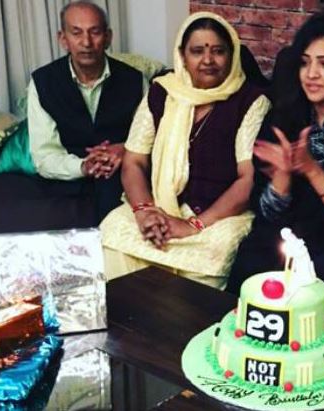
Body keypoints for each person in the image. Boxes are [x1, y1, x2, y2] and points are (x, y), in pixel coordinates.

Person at [227, 13, 324, 326]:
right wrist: (281, 181)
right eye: (304, 63)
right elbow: (265, 213)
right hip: (294, 233)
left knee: (318, 275)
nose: (311, 74)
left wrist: (310, 169)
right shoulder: (285, 115)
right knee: (249, 257)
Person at [99, 12, 271, 289]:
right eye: (197, 51)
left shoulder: (251, 101)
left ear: (232, 55)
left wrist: (193, 225)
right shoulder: (161, 92)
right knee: (113, 232)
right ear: (182, 55)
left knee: (214, 252)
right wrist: (144, 211)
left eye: (218, 51)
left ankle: (176, 318)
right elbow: (134, 161)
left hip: (217, 216)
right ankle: (128, 316)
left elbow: (247, 179)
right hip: (157, 205)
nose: (208, 60)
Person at [28, 1, 145, 221]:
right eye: (76, 33)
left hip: (121, 179)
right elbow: (44, 156)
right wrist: (83, 166)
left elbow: (153, 139)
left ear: (108, 37)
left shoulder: (135, 80)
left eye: (95, 32)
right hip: (67, 181)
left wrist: (126, 149)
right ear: (63, 39)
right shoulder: (43, 82)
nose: (86, 42)